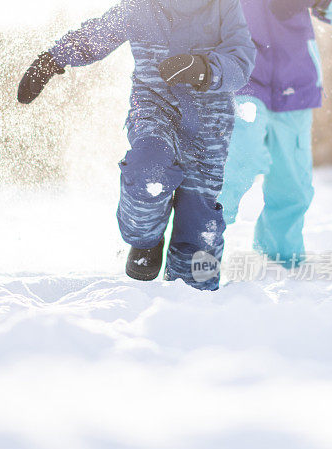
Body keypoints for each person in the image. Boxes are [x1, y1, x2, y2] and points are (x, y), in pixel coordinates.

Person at [17, 0, 255, 291]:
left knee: (199, 217)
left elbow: (241, 60)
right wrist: (52, 59)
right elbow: (97, 35)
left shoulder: (223, 6)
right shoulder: (141, 7)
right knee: (148, 170)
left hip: (210, 122)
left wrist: (205, 69)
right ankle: (146, 240)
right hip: (155, 108)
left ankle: (197, 293)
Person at [218, 0, 332, 267]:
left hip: (296, 81)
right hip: (242, 76)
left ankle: (281, 258)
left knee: (292, 183)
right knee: (238, 159)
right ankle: (199, 242)